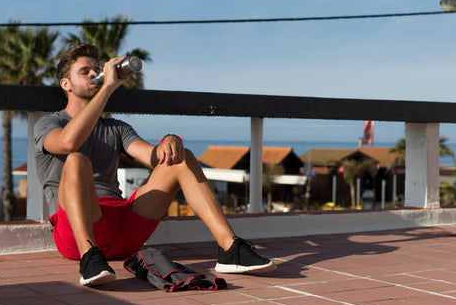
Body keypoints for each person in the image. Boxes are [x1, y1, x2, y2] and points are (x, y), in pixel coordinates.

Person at [34, 44, 276, 287]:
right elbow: (68, 143)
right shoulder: (49, 123)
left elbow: (155, 157)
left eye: (96, 69)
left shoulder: (116, 128)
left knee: (181, 156)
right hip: (77, 234)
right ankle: (90, 259)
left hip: (122, 228)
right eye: (84, 71)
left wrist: (170, 140)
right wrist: (108, 88)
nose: (93, 74)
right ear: (66, 84)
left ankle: (230, 248)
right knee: (76, 160)